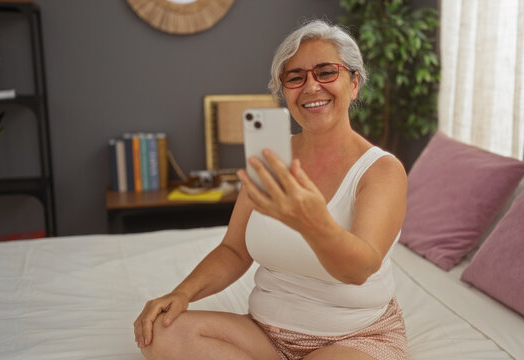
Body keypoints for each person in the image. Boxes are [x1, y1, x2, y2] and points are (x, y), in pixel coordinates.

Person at [134, 19, 408, 360]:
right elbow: (235, 250)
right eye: (295, 77)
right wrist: (183, 293)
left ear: (353, 83)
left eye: (326, 72)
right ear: (284, 92)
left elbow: (359, 269)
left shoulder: (381, 170)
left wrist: (309, 220)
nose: (310, 87)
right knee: (160, 334)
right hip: (264, 334)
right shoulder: (270, 159)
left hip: (355, 337)